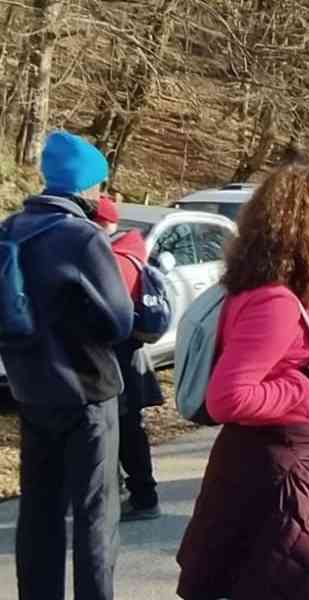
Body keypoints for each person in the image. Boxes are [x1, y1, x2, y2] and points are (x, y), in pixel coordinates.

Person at [176, 164, 309, 600]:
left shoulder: (274, 294)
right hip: (269, 478)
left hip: (269, 470)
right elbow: (227, 399)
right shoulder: (274, 301)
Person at [0, 131, 134, 600]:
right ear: (85, 185)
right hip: (87, 393)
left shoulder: (10, 229)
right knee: (95, 515)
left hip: (30, 390)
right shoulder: (82, 237)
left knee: (39, 512)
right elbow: (120, 320)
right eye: (99, 183)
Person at [92, 197, 167, 522]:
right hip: (134, 358)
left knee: (123, 432)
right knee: (129, 429)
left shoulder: (112, 261)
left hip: (117, 359)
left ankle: (141, 497)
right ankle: (139, 495)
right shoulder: (131, 254)